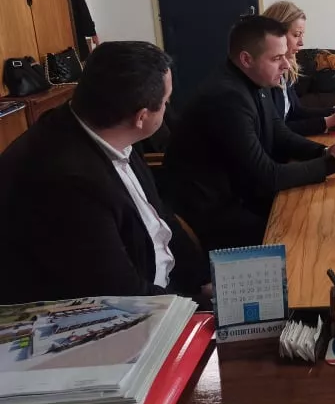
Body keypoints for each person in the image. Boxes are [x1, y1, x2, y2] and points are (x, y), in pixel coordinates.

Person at [0, 41, 210, 304]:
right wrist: (197, 303)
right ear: (141, 117)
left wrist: (203, 281)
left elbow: (160, 217)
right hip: (125, 310)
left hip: (162, 287)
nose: (168, 107)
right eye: (166, 101)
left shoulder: (109, 129)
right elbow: (122, 294)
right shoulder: (66, 183)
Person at [164, 16, 335, 251]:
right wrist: (332, 164)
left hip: (241, 192)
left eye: (285, 55)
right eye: (276, 58)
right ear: (246, 59)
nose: (286, 65)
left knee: (326, 217)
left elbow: (280, 134)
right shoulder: (226, 98)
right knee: (309, 236)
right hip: (213, 211)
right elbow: (267, 176)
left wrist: (325, 152)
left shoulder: (254, 81)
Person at [261, 1, 335, 135]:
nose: (301, 42)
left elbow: (296, 112)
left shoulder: (287, 70)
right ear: (276, 35)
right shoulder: (265, 76)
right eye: (296, 35)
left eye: (302, 35)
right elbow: (276, 131)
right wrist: (328, 122)